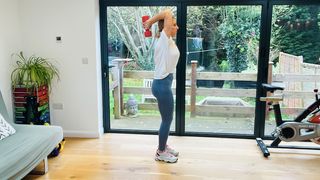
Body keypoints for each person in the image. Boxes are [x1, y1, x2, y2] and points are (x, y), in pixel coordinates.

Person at [143, 9, 180, 163]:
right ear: (167, 26)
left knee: (167, 119)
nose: (177, 27)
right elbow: (166, 12)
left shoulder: (168, 40)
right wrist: (150, 22)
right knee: (167, 119)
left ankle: (163, 145)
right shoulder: (164, 39)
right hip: (162, 86)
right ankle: (161, 152)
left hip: (164, 83)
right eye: (174, 24)